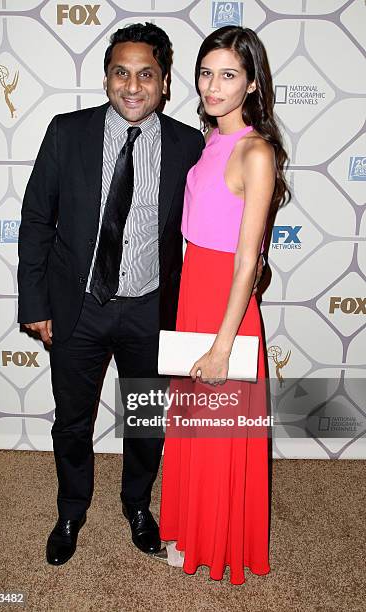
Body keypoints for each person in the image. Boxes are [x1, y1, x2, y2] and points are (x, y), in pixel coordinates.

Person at [17, 22, 205, 565]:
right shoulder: (66, 132)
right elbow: (35, 220)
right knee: (72, 420)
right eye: (121, 73)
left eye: (146, 74)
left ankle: (137, 506)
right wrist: (35, 304)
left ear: (165, 82)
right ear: (105, 79)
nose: (132, 86)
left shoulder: (189, 144)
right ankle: (71, 508)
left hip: (150, 308)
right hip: (79, 307)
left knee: (145, 420)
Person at [154, 26, 290, 584]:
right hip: (193, 290)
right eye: (206, 72)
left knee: (219, 425)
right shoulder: (209, 140)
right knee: (193, 424)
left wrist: (223, 344)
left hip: (224, 304)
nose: (213, 85)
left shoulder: (256, 151)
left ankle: (219, 539)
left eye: (229, 74)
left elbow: (247, 261)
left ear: (252, 82)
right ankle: (189, 527)